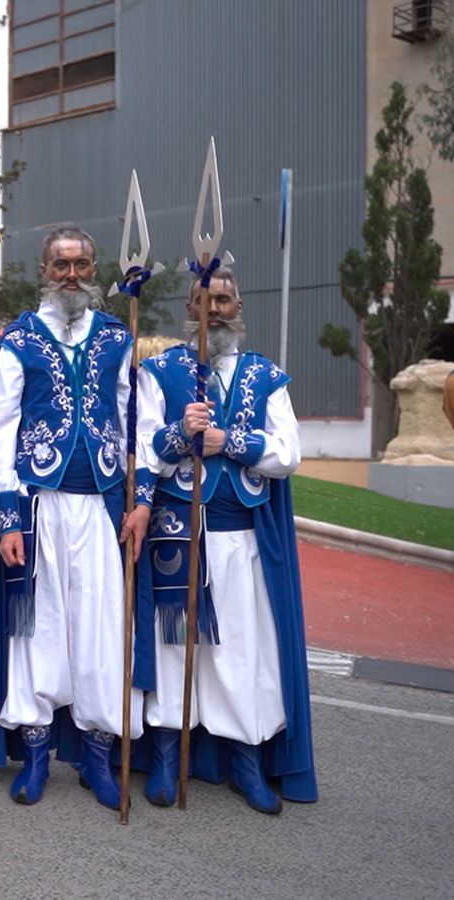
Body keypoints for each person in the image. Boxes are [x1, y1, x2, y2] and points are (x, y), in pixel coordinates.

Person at [135, 269, 317, 813]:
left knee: (241, 650)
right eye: (204, 300)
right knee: (174, 648)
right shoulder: (159, 371)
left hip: (240, 537)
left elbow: (287, 453)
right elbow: (141, 448)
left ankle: (245, 761)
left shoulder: (267, 376)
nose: (214, 309)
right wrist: (179, 433)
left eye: (224, 299)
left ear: (239, 307)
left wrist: (227, 441)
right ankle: (167, 754)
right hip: (176, 536)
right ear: (190, 309)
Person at [0, 226, 150, 810]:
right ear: (45, 271)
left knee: (103, 628)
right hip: (40, 506)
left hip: (103, 506)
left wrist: (142, 499)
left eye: (81, 264)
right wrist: (7, 517)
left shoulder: (117, 336)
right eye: (62, 265)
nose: (72, 275)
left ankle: (97, 757)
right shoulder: (20, 339)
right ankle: (34, 754)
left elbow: (137, 424)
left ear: (95, 269)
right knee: (38, 629)